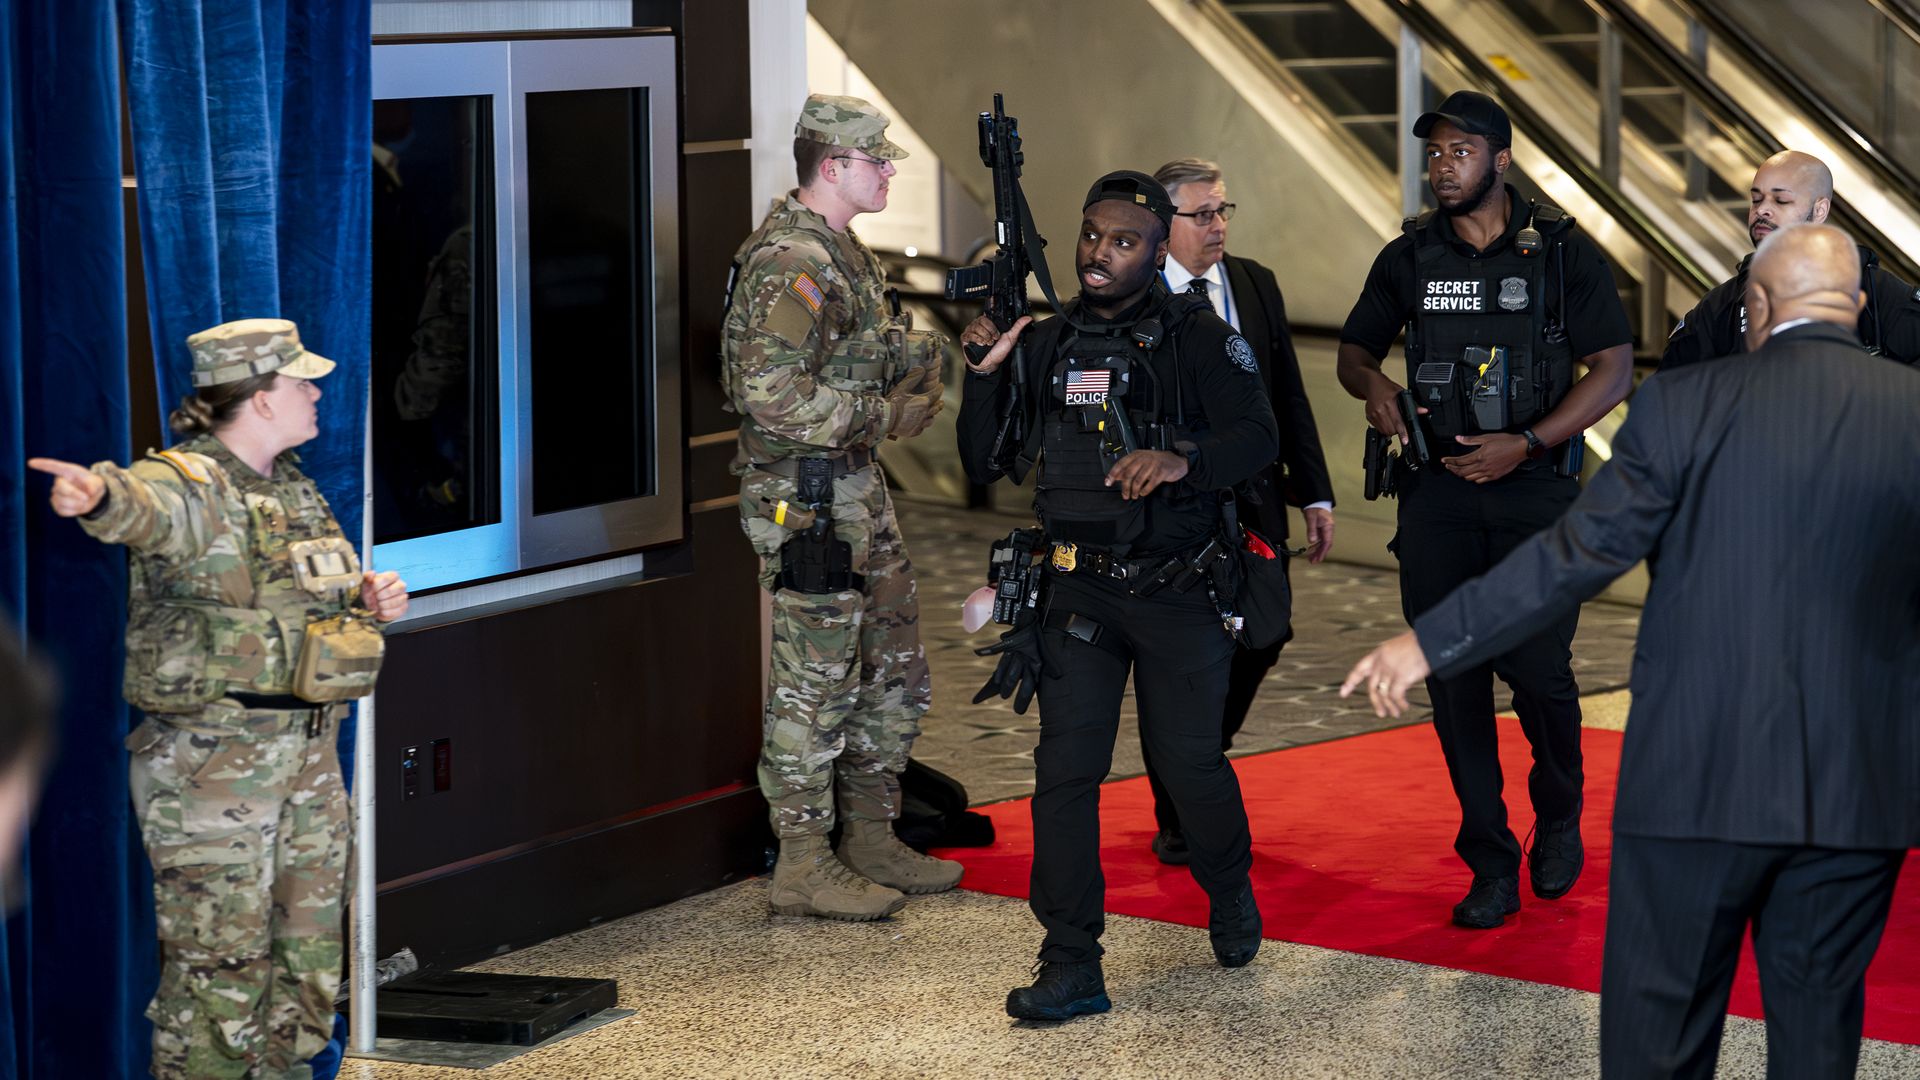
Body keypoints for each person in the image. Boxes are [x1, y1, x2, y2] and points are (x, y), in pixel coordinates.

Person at [1342, 222, 1920, 1080]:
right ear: (1860, 306)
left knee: (1664, 1019)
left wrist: (1435, 637)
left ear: (1756, 305)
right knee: (1819, 1015)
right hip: (1857, 786)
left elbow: (1576, 552)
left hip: (1695, 778)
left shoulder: (1684, 406)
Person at [28, 318, 410, 1080]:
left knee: (305, 965)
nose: (314, 391)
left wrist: (373, 600)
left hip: (304, 760)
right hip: (212, 771)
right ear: (260, 398)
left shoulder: (292, 487)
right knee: (220, 974)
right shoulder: (187, 482)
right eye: (300, 380)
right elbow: (140, 506)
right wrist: (97, 493)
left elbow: (296, 612)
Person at [959, 170, 1280, 1020]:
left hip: (1178, 596)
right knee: (1064, 775)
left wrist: (1184, 460)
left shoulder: (1199, 338)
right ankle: (1071, 961)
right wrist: (988, 372)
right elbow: (983, 462)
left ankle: (1229, 886)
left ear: (1157, 249)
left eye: (1125, 241)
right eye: (1093, 235)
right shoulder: (1049, 340)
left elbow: (1258, 436)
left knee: (1187, 765)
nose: (1101, 253)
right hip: (1078, 594)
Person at [1334, 90, 1635, 928]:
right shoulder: (1410, 254)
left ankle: (1561, 811)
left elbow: (1612, 368)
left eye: (1459, 152)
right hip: (1435, 492)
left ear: (1500, 160)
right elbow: (1355, 351)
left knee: (1539, 670)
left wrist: (1530, 443)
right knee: (1453, 678)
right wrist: (1378, 387)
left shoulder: (1562, 252)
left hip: (1533, 491)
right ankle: (1490, 860)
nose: (1442, 166)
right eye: (1434, 153)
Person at [720, 93, 959, 922]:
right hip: (808, 498)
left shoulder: (844, 252)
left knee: (892, 668)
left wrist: (937, 352)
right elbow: (765, 391)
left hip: (855, 486)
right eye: (878, 160)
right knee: (814, 682)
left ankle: (870, 835)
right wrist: (882, 416)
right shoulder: (793, 262)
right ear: (834, 166)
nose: (891, 170)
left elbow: (866, 352)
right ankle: (804, 860)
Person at [1140, 157, 1335, 866]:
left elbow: (1287, 396)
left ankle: (1200, 757)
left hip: (1254, 504)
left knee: (1265, 633)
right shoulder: (1132, 293)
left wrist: (1313, 491)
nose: (1218, 226)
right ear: (1163, 227)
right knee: (1180, 663)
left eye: (1223, 211)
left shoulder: (1253, 283)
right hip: (1171, 512)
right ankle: (1179, 811)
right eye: (1202, 215)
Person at [1662, 150, 1920, 369]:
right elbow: (1671, 392)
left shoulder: (1878, 294)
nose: (1762, 209)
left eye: (1781, 200)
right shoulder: (1722, 306)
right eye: (1756, 199)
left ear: (1819, 211)